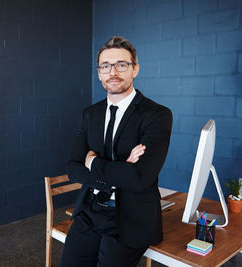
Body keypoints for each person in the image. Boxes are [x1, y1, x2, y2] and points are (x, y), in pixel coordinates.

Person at [61, 36, 173, 267]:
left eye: (122, 65)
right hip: (90, 210)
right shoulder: (90, 114)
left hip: (132, 217)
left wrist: (92, 162)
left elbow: (140, 178)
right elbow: (73, 168)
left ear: (135, 69)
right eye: (105, 66)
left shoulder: (157, 115)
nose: (113, 72)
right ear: (99, 72)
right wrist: (119, 173)